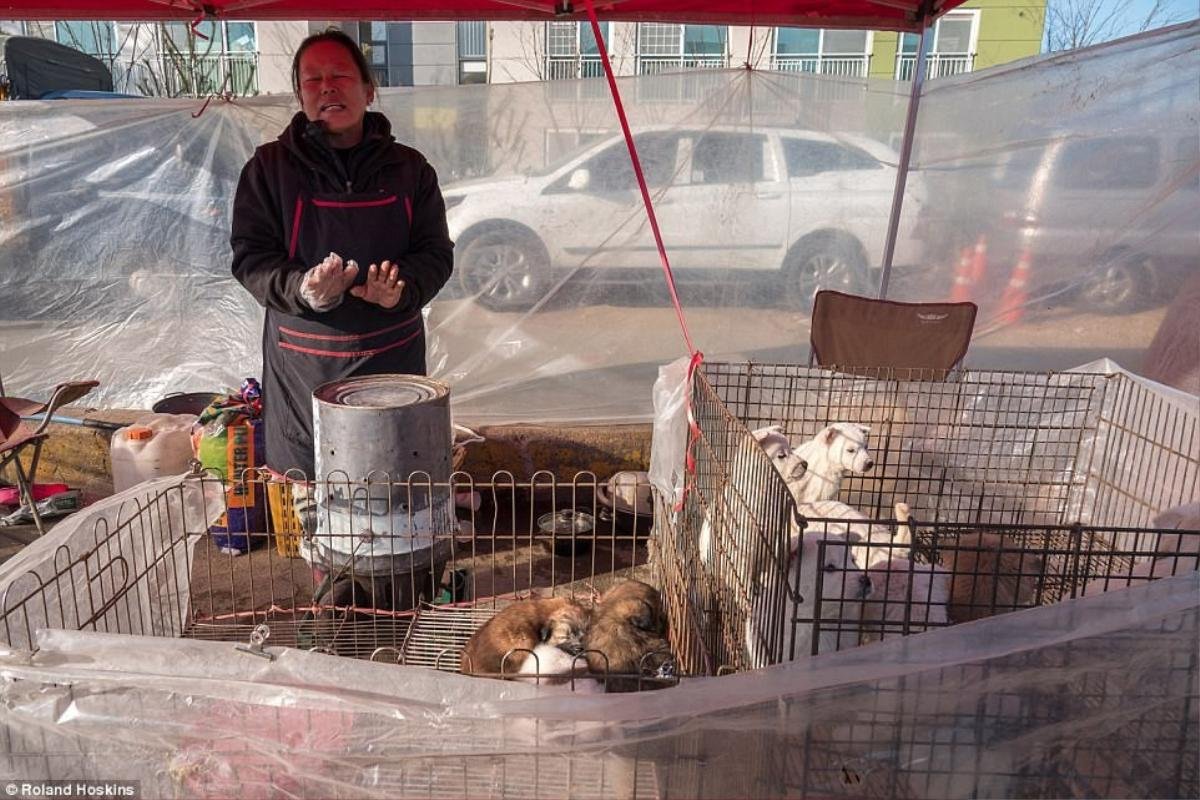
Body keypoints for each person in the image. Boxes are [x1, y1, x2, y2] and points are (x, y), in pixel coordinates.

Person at [230, 29, 453, 480]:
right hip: (302, 364)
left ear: (369, 90)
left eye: (340, 75)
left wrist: (400, 290)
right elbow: (250, 259)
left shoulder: (411, 168)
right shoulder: (268, 169)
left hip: (393, 359)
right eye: (313, 80)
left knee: (395, 484)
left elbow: (436, 253)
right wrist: (304, 289)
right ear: (299, 95)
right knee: (313, 495)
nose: (327, 87)